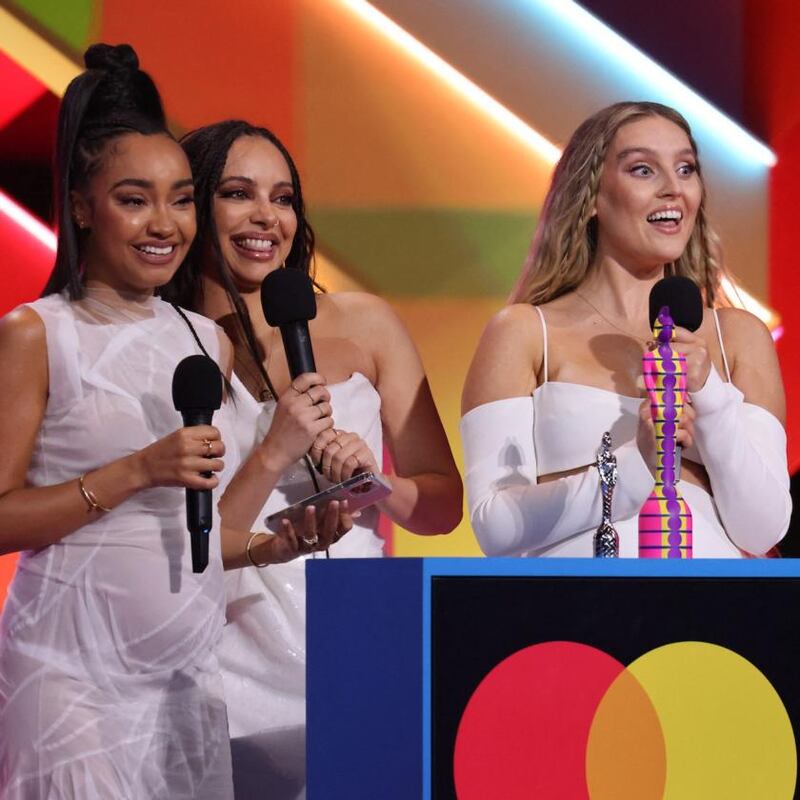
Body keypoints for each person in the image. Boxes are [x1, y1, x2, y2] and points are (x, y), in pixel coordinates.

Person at [162, 119, 463, 797]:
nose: (266, 216)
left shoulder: (365, 323)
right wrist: (274, 453)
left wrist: (373, 480)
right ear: (192, 206)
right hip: (228, 655)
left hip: (357, 638)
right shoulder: (164, 348)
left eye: (283, 198)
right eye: (238, 193)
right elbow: (184, 547)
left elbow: (443, 509)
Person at [0, 44, 264, 798]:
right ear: (82, 206)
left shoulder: (206, 340)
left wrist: (277, 543)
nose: (164, 224)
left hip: (184, 688)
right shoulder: (36, 333)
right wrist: (138, 470)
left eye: (181, 200)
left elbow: (197, 531)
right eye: (133, 199)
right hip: (68, 680)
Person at [461, 101, 791, 559]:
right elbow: (495, 525)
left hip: (711, 603)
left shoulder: (737, 337)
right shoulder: (525, 332)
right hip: (575, 602)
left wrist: (710, 395)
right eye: (643, 170)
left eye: (685, 169)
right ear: (591, 197)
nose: (673, 188)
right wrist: (636, 466)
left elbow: (762, 529)